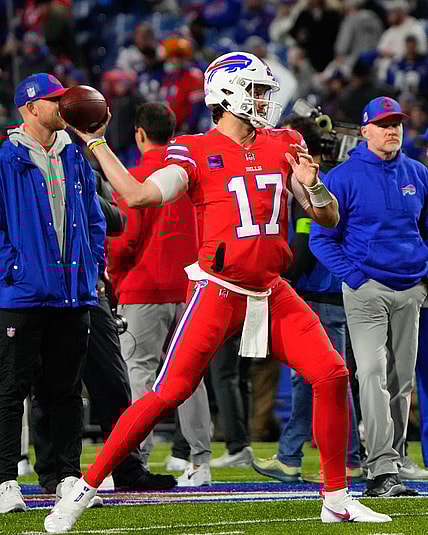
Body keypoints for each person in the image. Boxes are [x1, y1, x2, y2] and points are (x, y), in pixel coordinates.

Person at [44, 51, 391, 533]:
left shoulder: (285, 142)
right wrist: (98, 144)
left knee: (332, 374)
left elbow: (328, 218)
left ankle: (335, 497)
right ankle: (85, 487)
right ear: (225, 95)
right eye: (256, 91)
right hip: (220, 290)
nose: (264, 101)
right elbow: (140, 196)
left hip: (273, 291)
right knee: (168, 393)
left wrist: (315, 189)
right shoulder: (192, 149)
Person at [30, 168, 177, 496]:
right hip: (41, 288)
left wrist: (72, 192)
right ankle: (53, 473)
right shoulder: (20, 162)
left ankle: (126, 466)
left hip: (87, 286)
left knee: (113, 382)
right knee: (47, 385)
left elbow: (116, 219)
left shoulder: (81, 166)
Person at [310, 96, 428, 498]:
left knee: (401, 380)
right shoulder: (342, 177)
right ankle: (379, 470)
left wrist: (424, 278)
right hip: (367, 290)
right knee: (373, 374)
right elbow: (319, 239)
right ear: (365, 131)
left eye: (396, 122)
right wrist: (355, 278)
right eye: (383, 123)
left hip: (411, 288)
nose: (392, 129)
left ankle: (391, 463)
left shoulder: (418, 172)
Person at [0, 73, 106, 514]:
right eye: (53, 99)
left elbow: (94, 218)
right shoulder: (5, 157)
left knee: (64, 391)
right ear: (30, 108)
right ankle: (5, 482)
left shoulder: (75, 156)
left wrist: (93, 265)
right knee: (9, 390)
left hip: (72, 293)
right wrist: (13, 268)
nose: (63, 105)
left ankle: (63, 476)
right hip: (22, 294)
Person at [252, 116, 363, 483]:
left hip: (318, 292)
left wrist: (281, 282)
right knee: (310, 378)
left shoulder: (313, 182)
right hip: (328, 291)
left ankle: (347, 458)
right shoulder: (334, 177)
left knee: (328, 376)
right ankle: (290, 455)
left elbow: (305, 243)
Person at [107, 102, 212, 487]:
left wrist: (115, 280)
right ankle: (200, 463)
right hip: (190, 287)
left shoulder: (135, 177)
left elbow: (124, 241)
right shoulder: (188, 173)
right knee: (191, 376)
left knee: (140, 376)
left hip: (143, 288)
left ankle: (136, 460)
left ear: (138, 134)